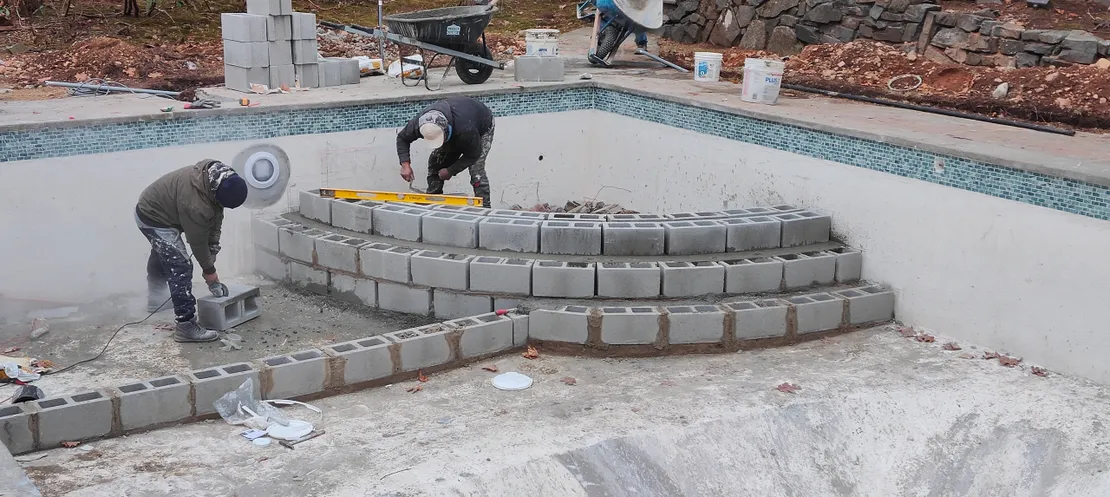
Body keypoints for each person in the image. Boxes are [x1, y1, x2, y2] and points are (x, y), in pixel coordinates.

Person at [135, 159, 247, 343]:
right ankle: (186, 325)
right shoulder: (196, 204)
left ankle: (156, 298)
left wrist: (214, 247)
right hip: (151, 216)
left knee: (164, 252)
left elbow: (216, 214)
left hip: (164, 211)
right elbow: (197, 242)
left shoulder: (217, 178)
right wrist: (210, 274)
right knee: (180, 264)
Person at [396, 96, 496, 208]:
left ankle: (485, 208)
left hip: (482, 126)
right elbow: (402, 138)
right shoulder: (420, 124)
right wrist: (405, 164)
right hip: (457, 126)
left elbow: (473, 155)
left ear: (446, 129)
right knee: (435, 161)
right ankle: (434, 201)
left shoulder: (466, 130)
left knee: (476, 170)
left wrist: (451, 170)